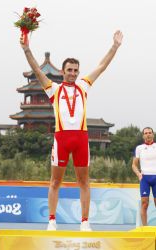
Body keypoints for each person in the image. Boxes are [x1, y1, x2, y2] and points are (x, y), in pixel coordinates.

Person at [20, 30, 123, 231]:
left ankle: (85, 222)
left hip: (81, 139)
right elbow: (36, 69)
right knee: (55, 182)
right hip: (61, 139)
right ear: (62, 71)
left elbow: (101, 66)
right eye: (70, 70)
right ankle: (51, 220)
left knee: (84, 182)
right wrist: (26, 49)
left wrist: (115, 46)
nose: (73, 73)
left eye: (76, 70)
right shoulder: (54, 89)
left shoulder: (84, 86)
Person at [132, 127, 156, 226]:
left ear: (153, 134)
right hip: (144, 178)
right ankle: (145, 228)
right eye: (146, 133)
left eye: (150, 133)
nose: (148, 135)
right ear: (143, 136)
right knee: (144, 204)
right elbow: (134, 165)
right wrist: (138, 174)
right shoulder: (139, 148)